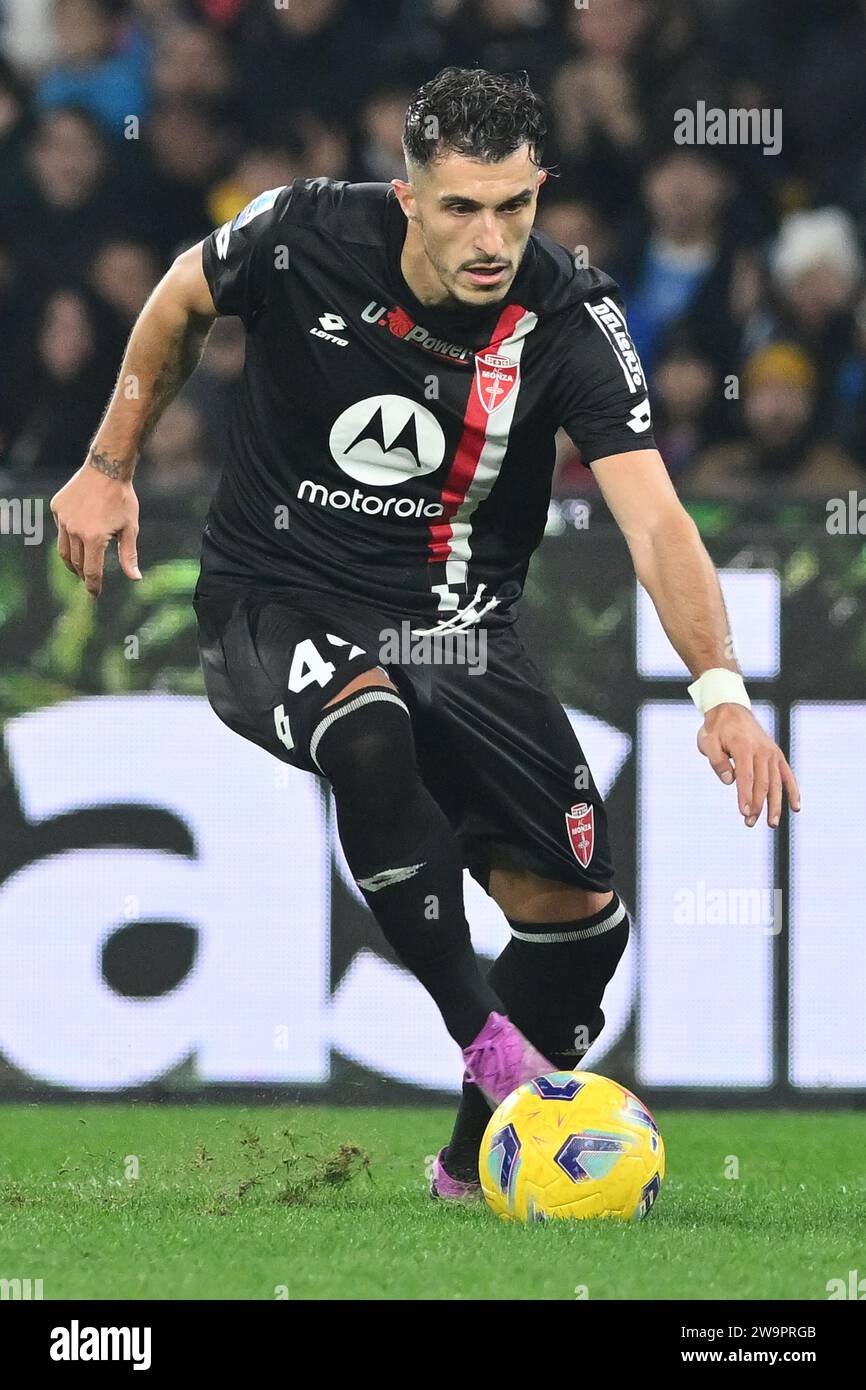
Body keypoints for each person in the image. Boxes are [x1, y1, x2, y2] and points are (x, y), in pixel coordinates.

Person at [50, 67, 799, 1198]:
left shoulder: (569, 318)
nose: (489, 236)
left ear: (540, 192)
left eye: (513, 205)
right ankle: (484, 1037)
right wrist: (109, 465)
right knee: (365, 727)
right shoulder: (303, 232)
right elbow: (177, 299)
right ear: (407, 196)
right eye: (460, 207)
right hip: (275, 594)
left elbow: (654, 519)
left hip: (462, 630)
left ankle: (467, 1168)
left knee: (576, 921)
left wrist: (720, 690)